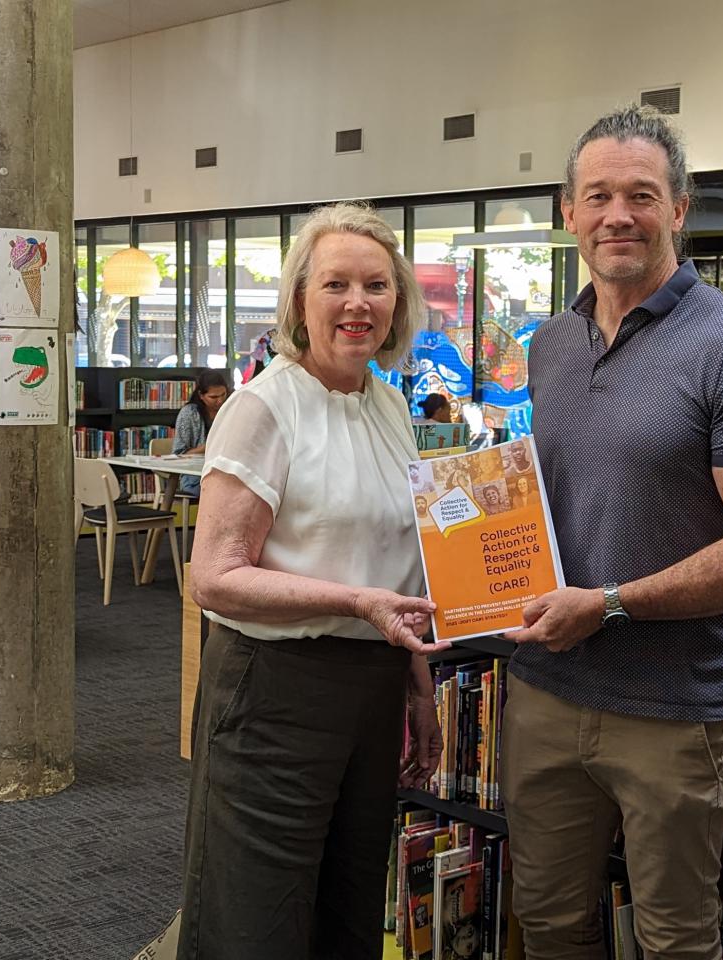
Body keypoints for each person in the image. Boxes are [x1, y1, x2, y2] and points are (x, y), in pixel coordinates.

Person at [501, 104, 723, 960]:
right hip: (545, 686)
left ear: (679, 209)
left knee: (676, 939)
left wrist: (608, 604)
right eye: (596, 195)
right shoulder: (552, 343)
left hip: (675, 708)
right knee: (549, 919)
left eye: (641, 194)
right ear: (567, 212)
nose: (617, 215)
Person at [177, 202, 448, 960]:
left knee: (349, 908)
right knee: (255, 918)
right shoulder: (264, 407)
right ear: (300, 299)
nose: (358, 303)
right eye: (336, 285)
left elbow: (397, 559)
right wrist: (357, 603)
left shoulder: (390, 404)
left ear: (398, 301)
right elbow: (215, 578)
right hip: (275, 691)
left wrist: (419, 687)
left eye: (377, 285)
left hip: (373, 687)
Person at [172, 369, 231, 497]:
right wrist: (208, 447)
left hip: (226, 472)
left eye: (223, 394)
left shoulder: (230, 410)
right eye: (213, 397)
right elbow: (178, 454)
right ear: (201, 396)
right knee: (221, 493)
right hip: (196, 477)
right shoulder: (189, 414)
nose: (220, 400)